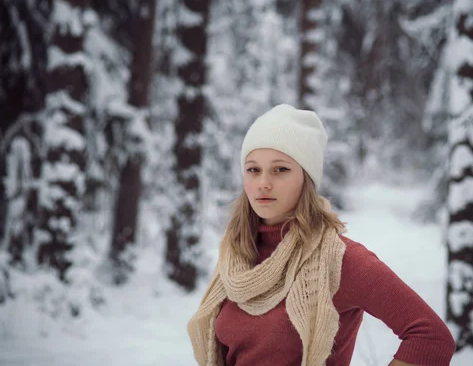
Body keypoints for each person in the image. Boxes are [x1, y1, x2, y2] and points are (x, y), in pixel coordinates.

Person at [187, 104, 456, 366]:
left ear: (306, 178)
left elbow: (430, 337)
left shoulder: (340, 259)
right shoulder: (237, 256)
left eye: (281, 169)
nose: (263, 183)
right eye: (253, 169)